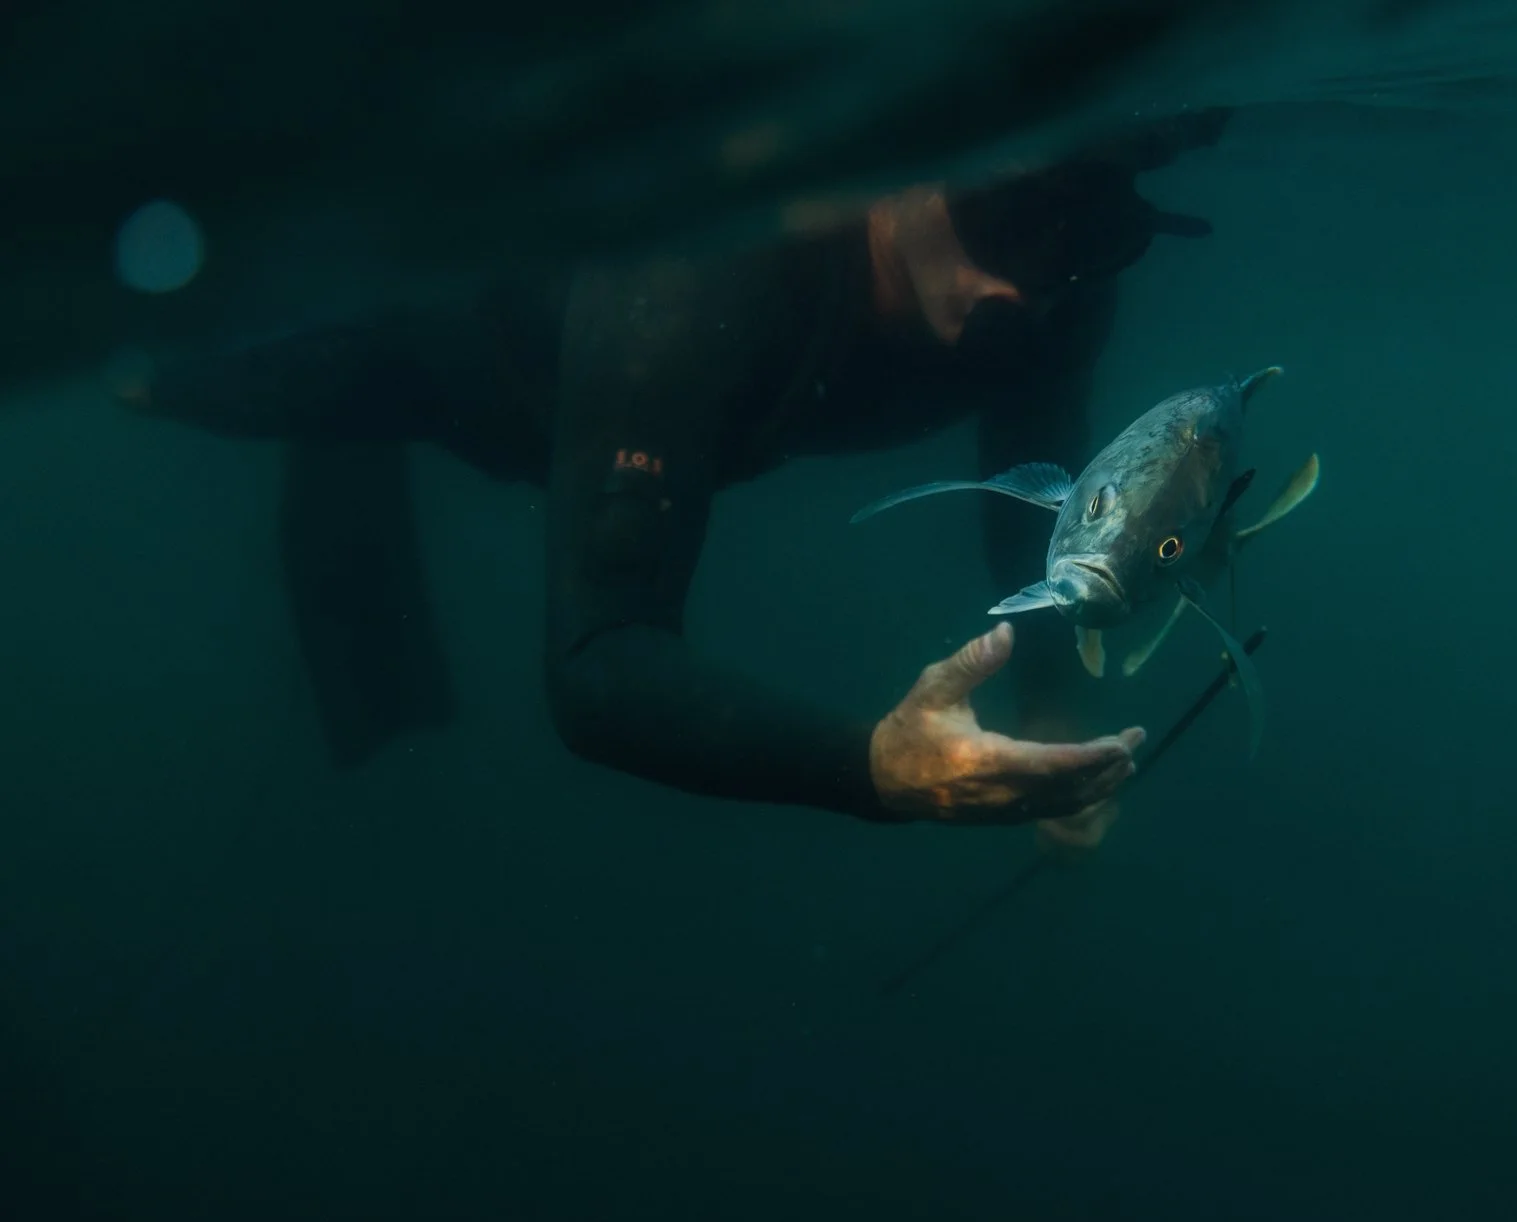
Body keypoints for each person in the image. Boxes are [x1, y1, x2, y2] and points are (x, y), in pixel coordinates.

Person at [120, 108, 1232, 846]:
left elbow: (1033, 485)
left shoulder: (1063, 284)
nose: (1023, 283)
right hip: (457, 365)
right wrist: (874, 767)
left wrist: (1046, 706)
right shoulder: (702, 272)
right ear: (901, 162)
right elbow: (598, 663)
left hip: (634, 404)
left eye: (1091, 232)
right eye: (1003, 212)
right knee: (170, 373)